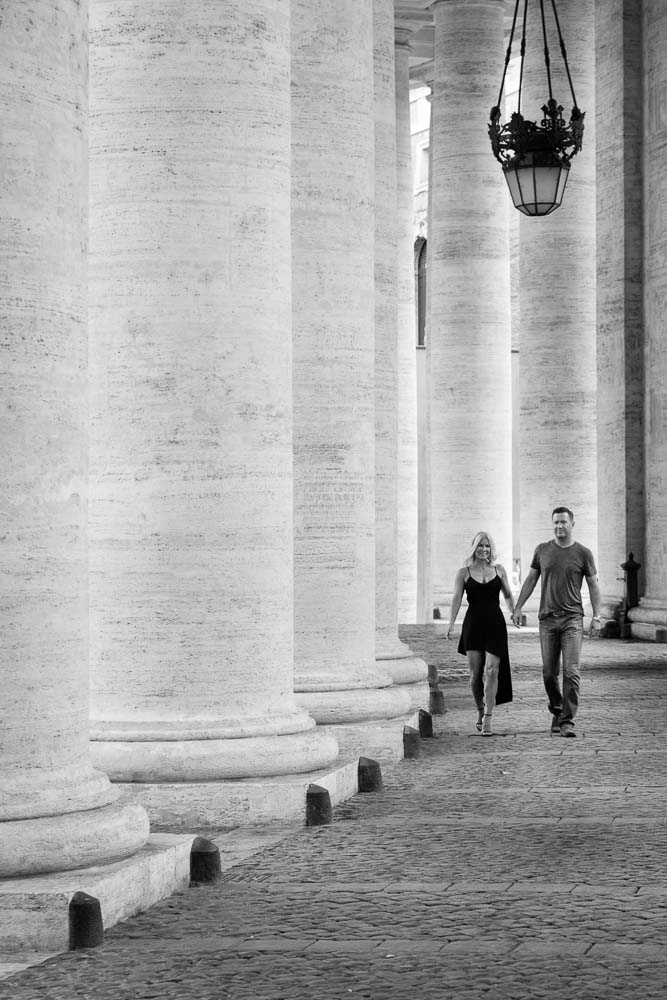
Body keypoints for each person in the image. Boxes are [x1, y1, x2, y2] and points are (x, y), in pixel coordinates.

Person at [512, 506, 601, 738]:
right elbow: (531, 579)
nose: (559, 526)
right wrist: (518, 606)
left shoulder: (583, 553)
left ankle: (568, 720)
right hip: (548, 620)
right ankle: (557, 708)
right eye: (555, 522)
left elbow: (593, 585)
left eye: (563, 522)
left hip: (573, 619)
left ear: (572, 524)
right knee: (549, 673)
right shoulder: (542, 550)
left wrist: (597, 617)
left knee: (571, 671)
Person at [447, 531, 516, 737]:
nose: (484, 549)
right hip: (473, 625)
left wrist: (515, 612)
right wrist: (451, 623)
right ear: (474, 548)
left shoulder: (500, 570)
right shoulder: (464, 573)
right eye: (480, 546)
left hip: (495, 624)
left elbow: (508, 595)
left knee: (492, 671)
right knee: (475, 675)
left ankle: (488, 717)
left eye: (487, 546)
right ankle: (479, 709)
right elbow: (456, 599)